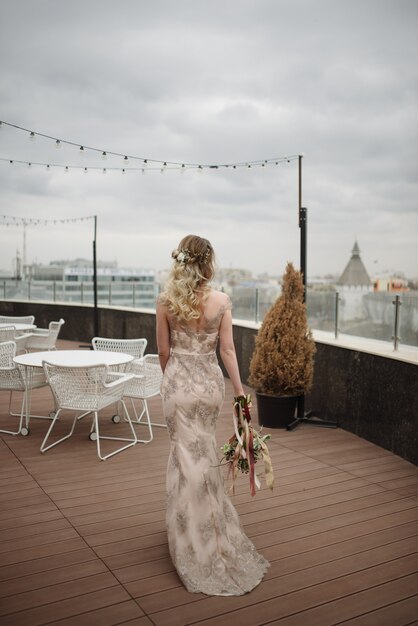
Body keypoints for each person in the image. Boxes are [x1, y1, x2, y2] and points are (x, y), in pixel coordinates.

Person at [156, 234, 269, 596]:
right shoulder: (221, 301)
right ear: (207, 263)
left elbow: (163, 351)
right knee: (203, 456)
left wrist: (173, 381)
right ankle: (210, 530)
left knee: (185, 457)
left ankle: (190, 535)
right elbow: (229, 351)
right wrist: (240, 392)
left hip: (178, 384)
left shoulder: (165, 302)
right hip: (208, 385)